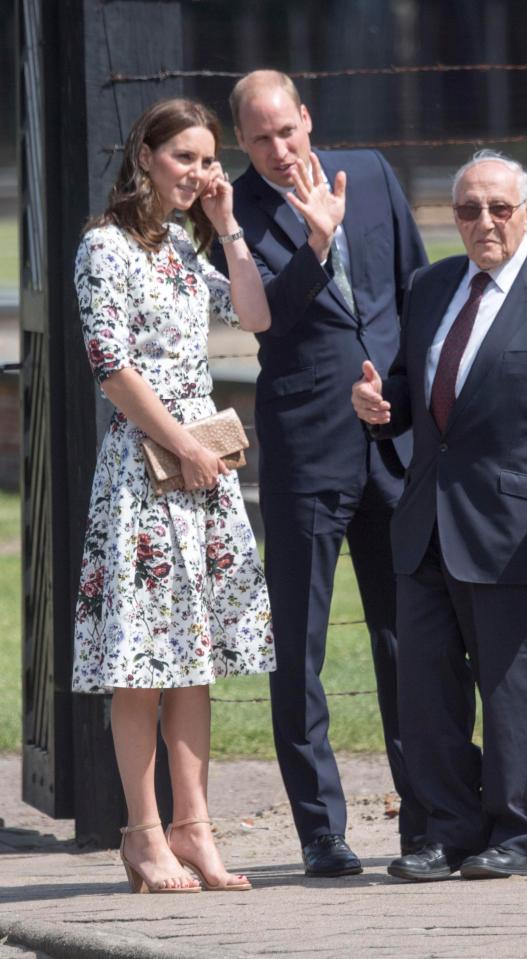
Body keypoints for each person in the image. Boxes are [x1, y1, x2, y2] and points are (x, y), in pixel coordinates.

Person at [351, 150, 527, 881]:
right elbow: (415, 389)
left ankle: (515, 836)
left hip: (518, 532)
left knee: (512, 697)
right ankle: (445, 833)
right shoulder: (430, 285)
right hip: (423, 527)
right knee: (425, 694)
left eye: (498, 208)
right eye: (468, 209)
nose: (483, 222)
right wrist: (381, 409)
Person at [212, 70, 428, 877]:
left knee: (409, 635)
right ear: (243, 140)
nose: (277, 148)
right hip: (306, 445)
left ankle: (429, 812)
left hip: (393, 436)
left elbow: (417, 291)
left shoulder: (368, 172)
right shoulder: (232, 210)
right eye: (260, 138)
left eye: (287, 131)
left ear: (307, 119)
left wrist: (404, 402)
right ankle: (320, 832)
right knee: (298, 644)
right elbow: (269, 314)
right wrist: (317, 241)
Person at [73, 98, 275, 893]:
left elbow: (255, 315)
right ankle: (142, 832)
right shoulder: (105, 247)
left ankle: (194, 826)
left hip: (202, 479)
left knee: (194, 662)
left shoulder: (185, 255)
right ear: (146, 156)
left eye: (206, 160)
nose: (198, 173)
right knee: (143, 665)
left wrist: (227, 226)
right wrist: (184, 444)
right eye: (184, 158)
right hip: (145, 474)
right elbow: (110, 366)